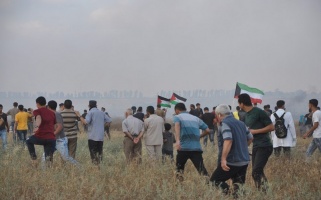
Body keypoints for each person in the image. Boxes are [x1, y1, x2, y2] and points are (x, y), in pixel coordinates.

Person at [210, 104, 253, 197]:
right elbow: (250, 138)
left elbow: (228, 140)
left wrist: (223, 159)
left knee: (215, 180)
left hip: (232, 161)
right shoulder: (241, 123)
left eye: (216, 115)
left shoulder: (225, 123)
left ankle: (229, 195)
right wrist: (242, 148)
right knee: (238, 184)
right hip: (244, 160)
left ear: (219, 115)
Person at [238, 93, 274, 191]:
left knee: (256, 172)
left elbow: (271, 127)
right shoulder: (245, 116)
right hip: (256, 146)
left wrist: (255, 131)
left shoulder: (259, 112)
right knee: (257, 172)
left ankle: (265, 193)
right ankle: (264, 192)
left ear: (241, 104)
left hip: (265, 145)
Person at [173, 103, 210, 181]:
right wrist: (199, 137)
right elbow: (207, 130)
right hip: (196, 148)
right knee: (201, 169)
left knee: (179, 170)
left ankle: (179, 185)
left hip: (183, 148)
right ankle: (209, 185)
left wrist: (177, 141)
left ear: (177, 110)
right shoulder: (195, 118)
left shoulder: (177, 117)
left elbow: (177, 126)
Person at [43, 100, 80, 167]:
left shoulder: (59, 114)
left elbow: (59, 127)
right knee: (69, 154)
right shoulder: (74, 113)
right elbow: (80, 120)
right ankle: (73, 168)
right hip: (71, 136)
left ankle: (75, 167)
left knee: (62, 156)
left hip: (59, 137)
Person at [77, 100, 112, 165]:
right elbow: (109, 120)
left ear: (89, 106)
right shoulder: (102, 112)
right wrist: (103, 126)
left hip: (92, 136)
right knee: (99, 152)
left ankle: (95, 166)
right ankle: (99, 165)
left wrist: (79, 116)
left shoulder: (90, 112)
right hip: (100, 137)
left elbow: (85, 122)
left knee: (93, 153)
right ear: (96, 105)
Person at [26, 96, 56, 167]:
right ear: (45, 103)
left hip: (41, 137)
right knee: (48, 157)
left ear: (37, 103)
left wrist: (36, 126)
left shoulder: (37, 111)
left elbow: (39, 117)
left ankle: (34, 159)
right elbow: (54, 126)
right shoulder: (52, 113)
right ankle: (49, 171)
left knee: (28, 141)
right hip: (51, 138)